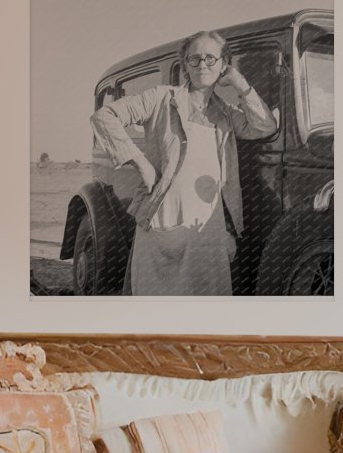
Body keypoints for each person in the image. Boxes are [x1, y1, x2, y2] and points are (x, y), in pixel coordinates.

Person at [90, 30, 277, 296]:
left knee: (206, 311)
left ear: (223, 63)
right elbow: (104, 116)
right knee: (156, 308)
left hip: (208, 230)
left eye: (211, 58)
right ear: (185, 65)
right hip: (163, 220)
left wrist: (238, 81)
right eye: (195, 59)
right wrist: (140, 162)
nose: (203, 64)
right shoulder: (161, 98)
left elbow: (265, 126)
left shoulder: (225, 113)